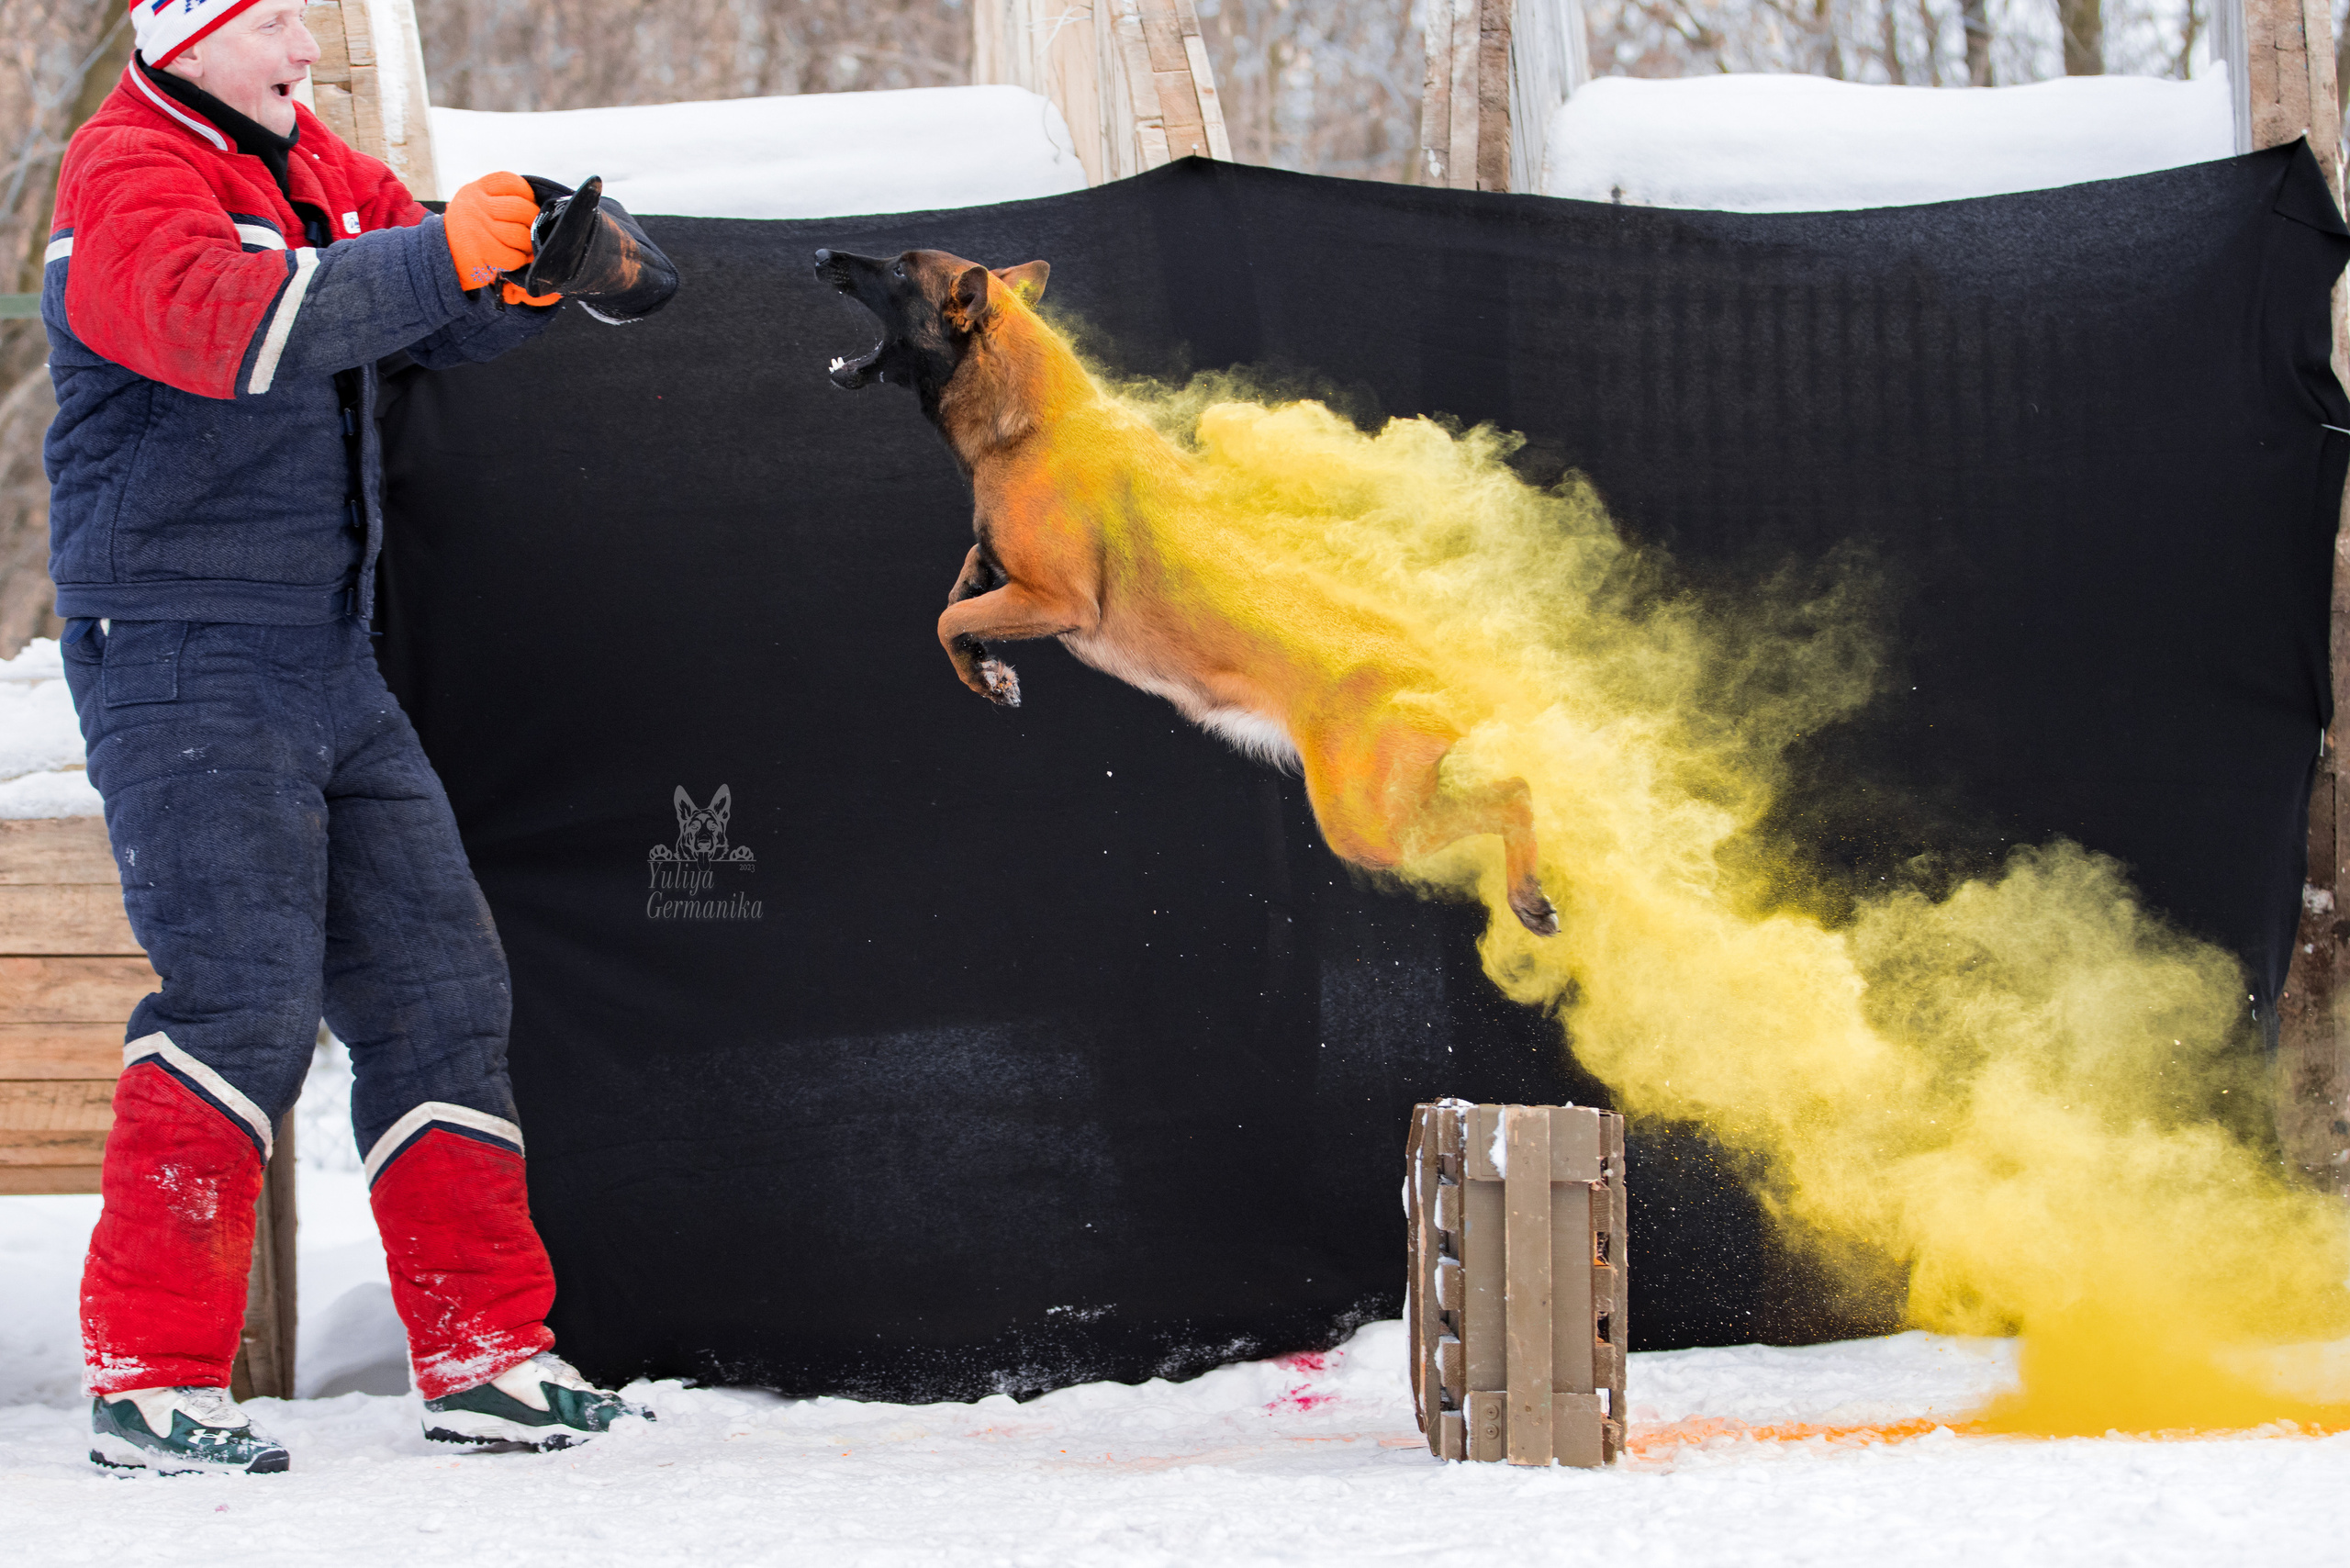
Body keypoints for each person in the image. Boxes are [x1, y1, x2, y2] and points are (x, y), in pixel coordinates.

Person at [41, 0, 671, 1474]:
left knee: (439, 993)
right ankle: (149, 1379)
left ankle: (486, 1354)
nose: (305, 55)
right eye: (277, 32)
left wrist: (525, 266)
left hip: (327, 649)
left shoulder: (307, 159)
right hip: (183, 648)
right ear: (189, 36)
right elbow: (226, 324)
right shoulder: (123, 170)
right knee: (239, 1002)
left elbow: (419, 303)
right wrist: (438, 254)